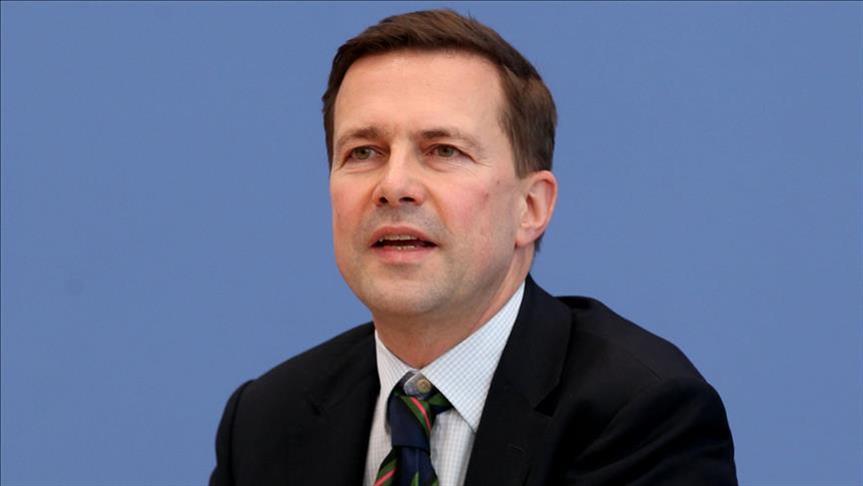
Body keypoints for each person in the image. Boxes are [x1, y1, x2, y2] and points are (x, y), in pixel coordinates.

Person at [210, 9, 737, 486]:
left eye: (443, 151)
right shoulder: (265, 421)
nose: (394, 186)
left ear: (530, 207)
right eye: (364, 152)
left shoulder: (640, 413)